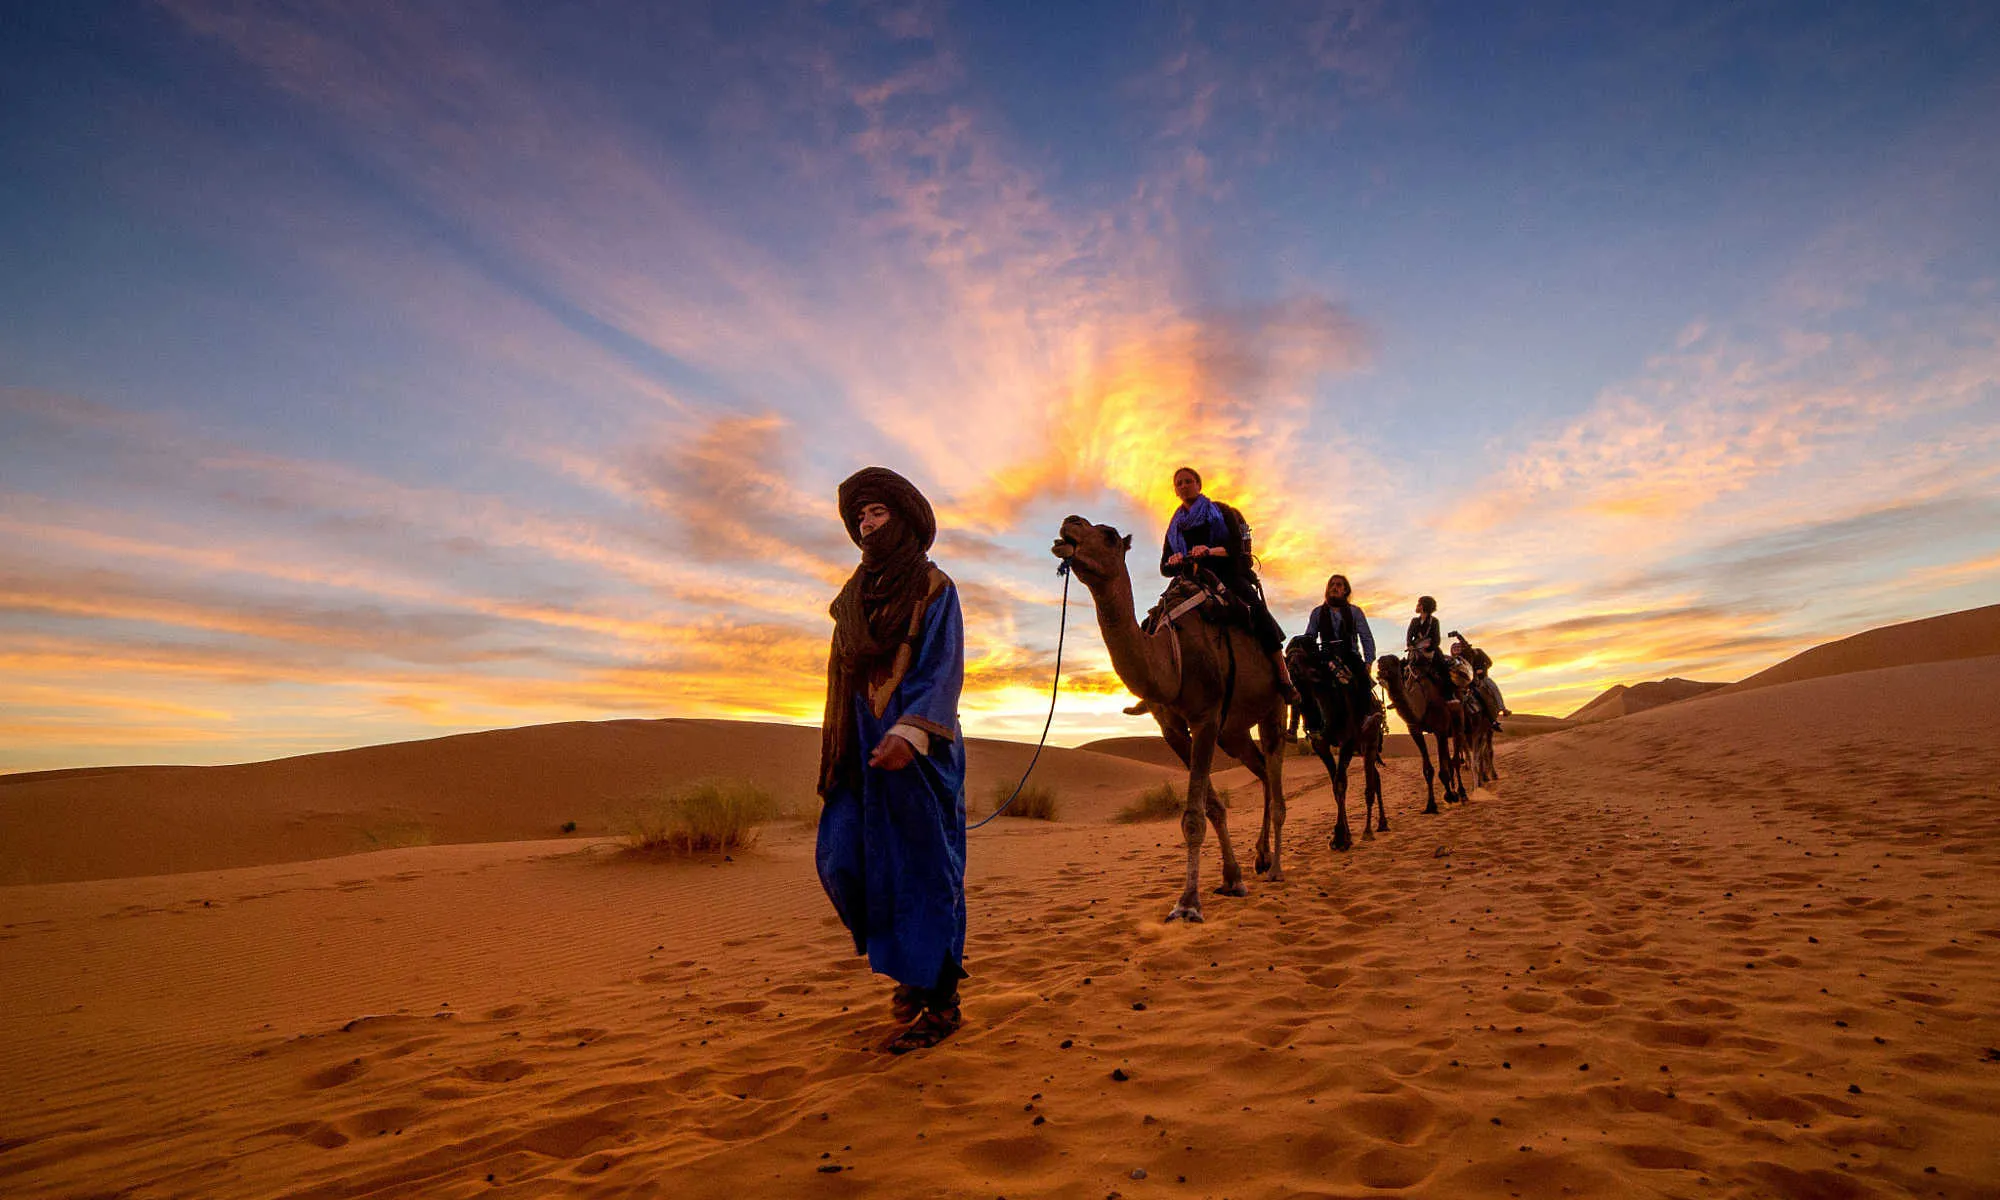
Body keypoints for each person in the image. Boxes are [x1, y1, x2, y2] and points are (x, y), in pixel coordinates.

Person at [815, 466, 968, 1054]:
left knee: (926, 872)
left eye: (876, 514)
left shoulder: (934, 588)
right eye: (860, 517)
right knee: (846, 859)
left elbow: (942, 668)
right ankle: (908, 973)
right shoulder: (850, 600)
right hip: (859, 750)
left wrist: (909, 734)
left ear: (900, 521)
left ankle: (940, 999)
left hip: (919, 752)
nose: (866, 524)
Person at [1158, 466, 1298, 702]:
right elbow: (1164, 567)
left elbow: (1235, 548)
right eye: (1179, 483)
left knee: (1258, 612)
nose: (1183, 486)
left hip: (1226, 574)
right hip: (1190, 578)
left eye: (1188, 481)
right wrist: (1175, 559)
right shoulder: (1175, 526)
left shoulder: (1220, 512)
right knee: (1155, 618)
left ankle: (1284, 678)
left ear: (1199, 485)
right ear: (1175, 490)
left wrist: (1208, 551)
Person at [1301, 573, 1380, 732]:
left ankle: (1365, 717)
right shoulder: (1317, 613)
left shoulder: (1355, 612)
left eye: (1338, 585)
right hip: (1325, 655)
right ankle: (1310, 724)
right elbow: (1310, 636)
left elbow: (1366, 637)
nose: (1334, 588)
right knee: (1304, 679)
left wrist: (1369, 662)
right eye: (1332, 585)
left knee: (1362, 679)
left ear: (1345, 590)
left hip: (1349, 654)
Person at [1449, 630, 1507, 730]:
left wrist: (1482, 670)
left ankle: (1498, 712)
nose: (1457, 649)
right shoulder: (1451, 661)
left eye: (1459, 647)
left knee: (1490, 688)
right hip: (1457, 684)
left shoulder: (1469, 655)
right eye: (1454, 648)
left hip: (1476, 680)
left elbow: (1489, 662)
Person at [1404, 595, 1454, 691]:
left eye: (1419, 604)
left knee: (1443, 668)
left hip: (1431, 650)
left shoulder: (1434, 621)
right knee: (1404, 668)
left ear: (1422, 606)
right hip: (1416, 650)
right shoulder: (1414, 621)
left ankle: (1449, 695)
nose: (1417, 606)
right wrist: (1410, 645)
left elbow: (1437, 639)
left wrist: (1429, 647)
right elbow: (1409, 636)